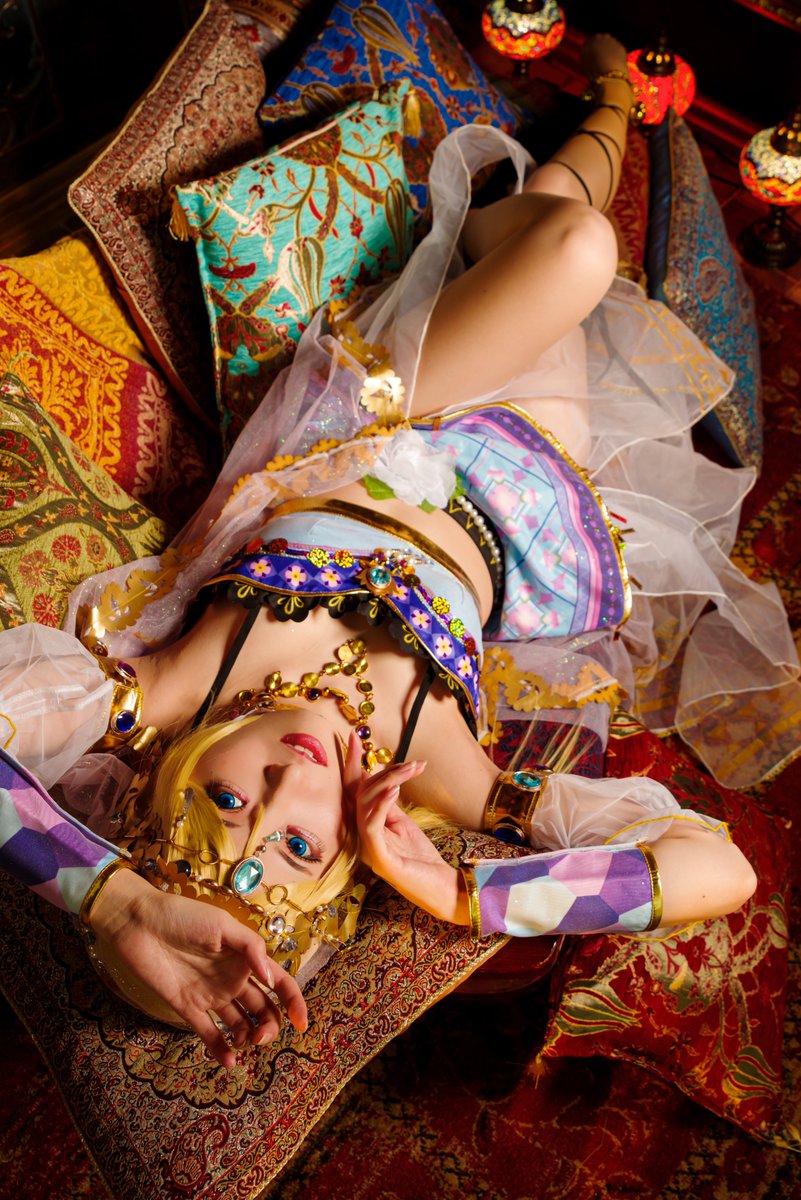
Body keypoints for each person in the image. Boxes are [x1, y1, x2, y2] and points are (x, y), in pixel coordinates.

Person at [0, 33, 785, 1054]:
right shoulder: (441, 776)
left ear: (170, 781)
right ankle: (610, 106)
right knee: (562, 216)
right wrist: (463, 892)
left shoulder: (164, 692)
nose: (290, 782)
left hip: (383, 414)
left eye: (226, 799)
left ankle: (579, 137)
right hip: (524, 495)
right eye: (296, 843)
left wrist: (112, 900)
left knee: (577, 252)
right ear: (342, 859)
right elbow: (721, 871)